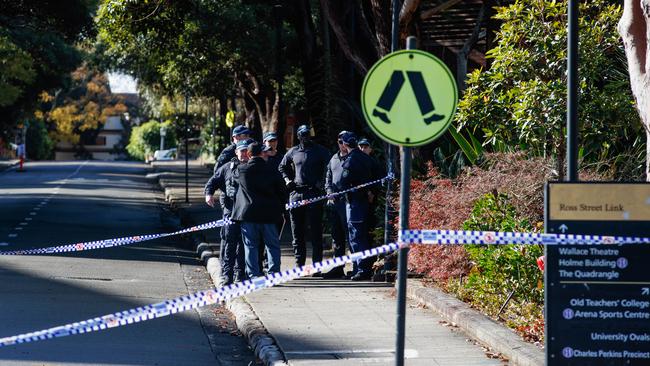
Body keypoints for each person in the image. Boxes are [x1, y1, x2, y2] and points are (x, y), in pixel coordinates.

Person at [278, 124, 331, 268]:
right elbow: (281, 166)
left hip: (314, 193)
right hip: (296, 194)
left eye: (307, 134)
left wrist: (322, 182)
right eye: (303, 135)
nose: (305, 137)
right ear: (299, 136)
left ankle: (317, 265)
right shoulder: (293, 151)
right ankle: (299, 264)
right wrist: (288, 180)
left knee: (315, 231)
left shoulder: (320, 151)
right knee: (297, 231)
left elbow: (330, 166)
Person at [231, 142, 286, 278]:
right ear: (260, 154)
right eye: (264, 152)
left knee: (251, 246)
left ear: (249, 154)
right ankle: (273, 273)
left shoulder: (241, 170)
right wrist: (281, 208)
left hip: (248, 214)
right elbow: (282, 191)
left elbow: (233, 177)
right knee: (272, 245)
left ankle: (253, 275)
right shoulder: (272, 170)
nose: (267, 154)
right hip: (269, 214)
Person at [204, 138, 253, 285]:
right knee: (230, 245)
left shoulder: (253, 167)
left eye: (246, 151)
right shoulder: (227, 168)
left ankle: (241, 274)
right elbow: (213, 181)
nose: (244, 154)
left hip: (247, 213)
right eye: (241, 151)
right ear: (236, 152)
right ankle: (227, 276)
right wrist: (208, 194)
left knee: (244, 245)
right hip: (230, 212)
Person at [339, 132, 373, 281]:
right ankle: (360, 268)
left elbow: (342, 182)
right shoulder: (368, 159)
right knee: (362, 235)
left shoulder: (350, 161)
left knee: (356, 236)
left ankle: (361, 268)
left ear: (345, 145)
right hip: (366, 201)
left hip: (355, 203)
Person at [322, 130, 351, 278]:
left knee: (351, 235)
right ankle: (338, 267)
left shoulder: (355, 158)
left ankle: (357, 267)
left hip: (349, 202)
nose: (343, 145)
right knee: (337, 236)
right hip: (335, 203)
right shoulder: (333, 158)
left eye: (345, 141)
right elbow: (328, 177)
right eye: (340, 142)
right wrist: (328, 191)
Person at [358, 138, 385, 248]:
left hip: (370, 200)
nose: (363, 149)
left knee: (369, 225)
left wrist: (372, 193)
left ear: (370, 149)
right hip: (357, 199)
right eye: (361, 146)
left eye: (365, 147)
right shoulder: (354, 161)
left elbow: (379, 180)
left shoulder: (374, 163)